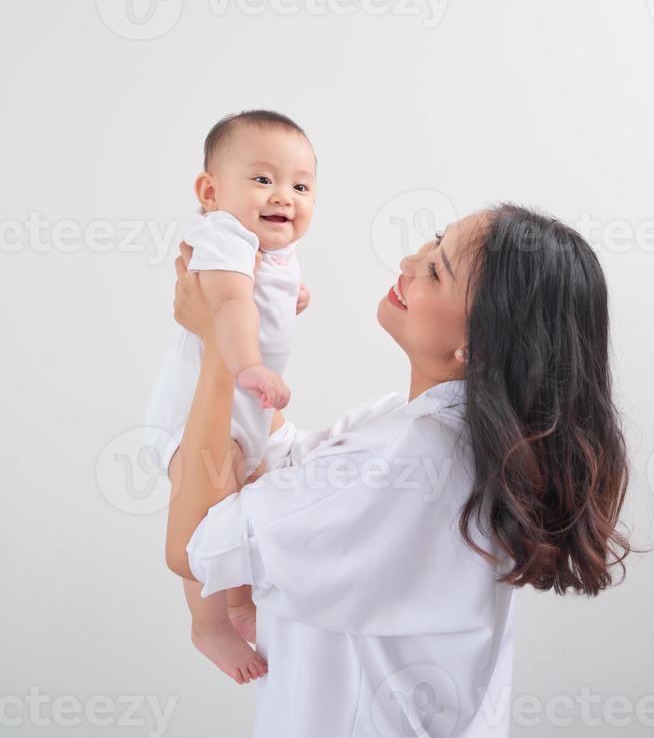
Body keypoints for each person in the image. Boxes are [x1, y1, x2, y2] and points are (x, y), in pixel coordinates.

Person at [165, 204, 634, 737]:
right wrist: (251, 331)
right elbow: (280, 458)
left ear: (478, 344)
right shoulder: (427, 431)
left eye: (436, 271)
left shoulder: (411, 456)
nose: (411, 261)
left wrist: (213, 351)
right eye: (434, 243)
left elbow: (193, 548)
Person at [145, 109, 316, 684]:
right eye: (263, 179)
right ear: (210, 192)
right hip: (197, 412)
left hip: (246, 413)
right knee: (211, 517)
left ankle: (240, 601)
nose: (284, 197)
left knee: (246, 510)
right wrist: (247, 364)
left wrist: (292, 293)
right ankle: (208, 623)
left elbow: (259, 295)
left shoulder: (269, 252)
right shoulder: (222, 234)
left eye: (300, 184)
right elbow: (229, 306)